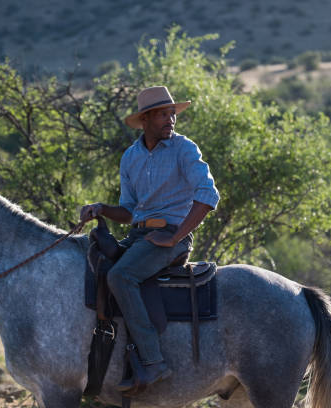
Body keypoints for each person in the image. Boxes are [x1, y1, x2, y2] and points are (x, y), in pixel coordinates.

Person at [80, 86, 219, 390]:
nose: (171, 119)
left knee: (121, 276)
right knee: (89, 263)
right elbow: (129, 211)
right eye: (163, 114)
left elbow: (208, 195)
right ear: (145, 119)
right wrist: (101, 209)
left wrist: (175, 237)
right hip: (139, 234)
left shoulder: (185, 149)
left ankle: (154, 363)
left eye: (173, 113)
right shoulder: (130, 157)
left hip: (171, 235)